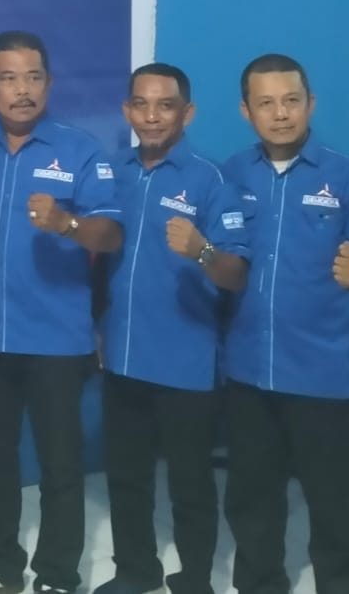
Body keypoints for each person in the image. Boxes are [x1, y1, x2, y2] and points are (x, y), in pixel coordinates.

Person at [221, 54, 349, 594]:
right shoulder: (231, 175)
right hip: (248, 373)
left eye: (291, 101)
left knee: (333, 506)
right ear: (246, 111)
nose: (280, 114)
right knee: (252, 500)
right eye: (266, 103)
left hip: (324, 376)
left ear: (310, 104)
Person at [0, 31, 123, 594]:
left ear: (49, 83)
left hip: (57, 340)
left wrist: (66, 224)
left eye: (33, 77)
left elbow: (112, 233)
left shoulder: (80, 150)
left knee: (60, 465)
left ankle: (57, 573)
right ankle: (0, 565)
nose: (22, 90)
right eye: (8, 78)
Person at [94, 63, 252, 594]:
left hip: (186, 361)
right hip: (122, 356)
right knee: (127, 477)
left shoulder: (211, 180)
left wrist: (202, 251)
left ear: (187, 113)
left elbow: (236, 274)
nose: (152, 116)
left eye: (165, 106)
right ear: (127, 111)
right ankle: (135, 570)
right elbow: (99, 262)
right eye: (141, 104)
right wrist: (98, 327)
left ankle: (196, 579)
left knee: (190, 485)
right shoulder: (112, 172)